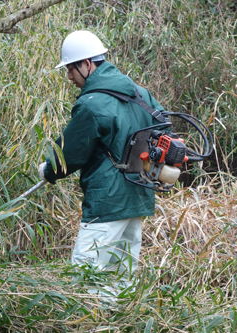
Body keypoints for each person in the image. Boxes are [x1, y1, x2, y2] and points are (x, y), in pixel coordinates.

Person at [38, 30, 165, 275]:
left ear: (86, 64)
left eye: (70, 70)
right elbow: (163, 126)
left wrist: (48, 170)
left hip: (106, 204)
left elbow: (67, 154)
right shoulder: (140, 94)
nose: (69, 77)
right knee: (121, 278)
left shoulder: (91, 103)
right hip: (137, 199)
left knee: (83, 277)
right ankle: (117, 315)